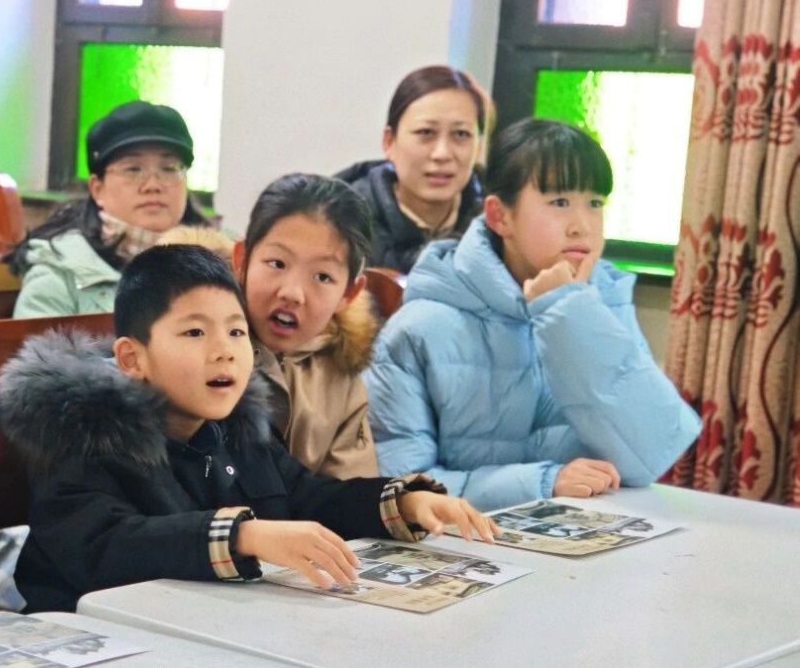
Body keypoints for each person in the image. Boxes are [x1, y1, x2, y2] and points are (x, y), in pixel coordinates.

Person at [0, 245, 495, 613]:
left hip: (205, 630)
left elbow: (306, 497)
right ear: (131, 358)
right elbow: (106, 546)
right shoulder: (83, 435)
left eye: (236, 331)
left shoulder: (236, 429)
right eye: (194, 331)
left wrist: (400, 503)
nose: (224, 351)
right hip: (99, 639)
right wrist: (244, 536)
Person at [364, 118, 701, 512]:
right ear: (499, 216)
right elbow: (403, 490)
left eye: (595, 203)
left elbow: (650, 455)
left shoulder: (600, 303)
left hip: (591, 528)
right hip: (470, 540)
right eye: (559, 202)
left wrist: (569, 312)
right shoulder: (420, 327)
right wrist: (543, 482)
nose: (582, 226)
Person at [232, 173, 379, 479]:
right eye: (277, 263)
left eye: (322, 277)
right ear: (242, 261)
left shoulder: (340, 371)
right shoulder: (202, 346)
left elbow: (351, 492)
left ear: (349, 293)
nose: (292, 293)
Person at [6, 100, 211, 317]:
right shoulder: (59, 274)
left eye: (169, 168)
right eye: (133, 169)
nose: (153, 185)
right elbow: (38, 340)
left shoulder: (222, 259)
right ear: (97, 189)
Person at [336, 65, 492, 272]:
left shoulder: (500, 224)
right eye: (426, 133)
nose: (442, 154)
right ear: (389, 142)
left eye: (461, 134)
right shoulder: (340, 223)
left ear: (479, 147)